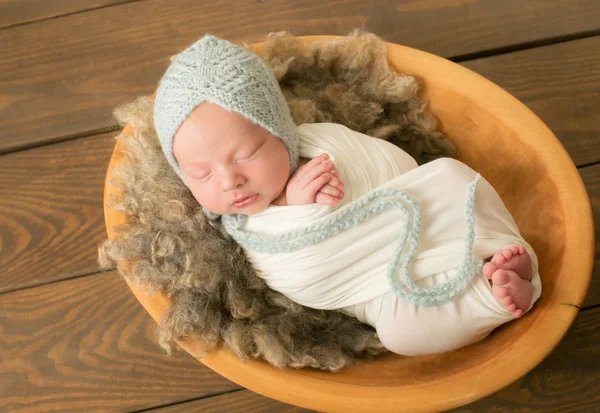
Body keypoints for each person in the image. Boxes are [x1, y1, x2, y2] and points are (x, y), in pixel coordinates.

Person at [153, 34, 541, 356]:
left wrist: (324, 186)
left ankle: (499, 251)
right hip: (374, 287)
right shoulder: (242, 226)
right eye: (200, 173)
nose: (228, 180)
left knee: (452, 177)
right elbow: (296, 271)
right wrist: (298, 209)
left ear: (282, 131)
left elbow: (391, 168)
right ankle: (489, 298)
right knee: (401, 333)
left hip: (427, 216)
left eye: (247, 155)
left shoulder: (321, 144)